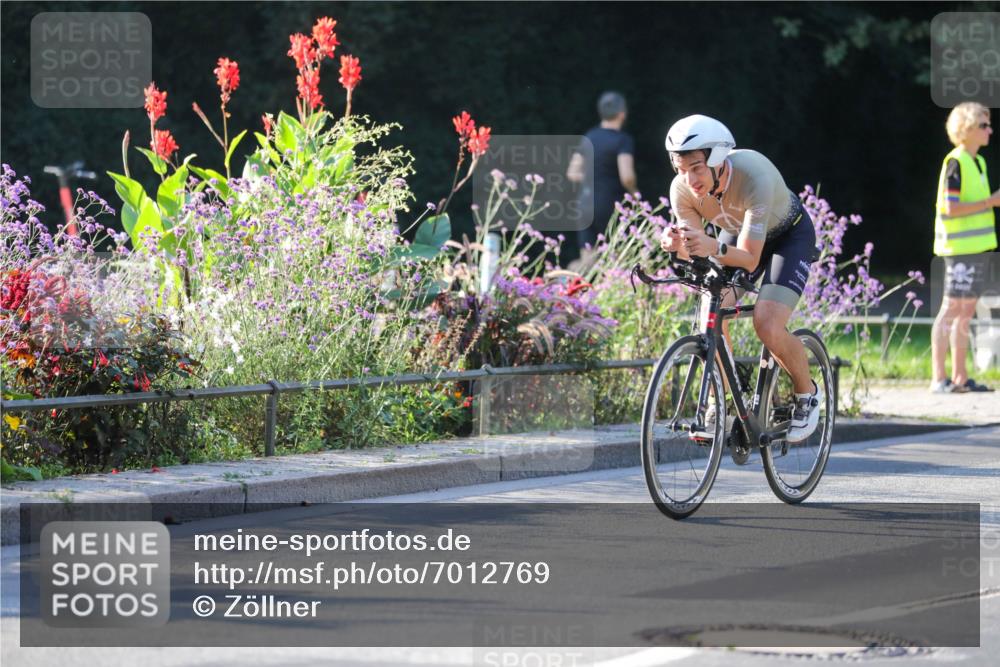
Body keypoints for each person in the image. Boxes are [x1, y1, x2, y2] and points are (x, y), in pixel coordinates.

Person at [658, 114, 821, 442]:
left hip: (788, 237)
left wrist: (708, 245)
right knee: (710, 312)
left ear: (718, 160)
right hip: (736, 235)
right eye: (680, 169)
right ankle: (721, 399)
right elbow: (698, 250)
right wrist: (677, 245)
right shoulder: (682, 191)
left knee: (767, 323)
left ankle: (808, 394)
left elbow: (749, 258)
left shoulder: (754, 174)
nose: (689, 179)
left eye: (696, 168)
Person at [930, 102, 999, 394]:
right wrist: (991, 202)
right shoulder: (955, 162)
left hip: (976, 250)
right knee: (951, 310)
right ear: (967, 129)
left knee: (966, 312)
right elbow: (949, 209)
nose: (990, 130)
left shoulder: (978, 162)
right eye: (984, 125)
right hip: (958, 251)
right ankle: (939, 378)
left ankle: (960, 377)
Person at [567, 91, 637, 270]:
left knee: (587, 260)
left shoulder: (589, 136)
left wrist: (592, 177)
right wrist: (635, 195)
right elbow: (627, 175)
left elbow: (573, 172)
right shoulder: (622, 140)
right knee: (616, 257)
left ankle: (567, 284)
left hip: (584, 203)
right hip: (609, 205)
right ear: (622, 114)